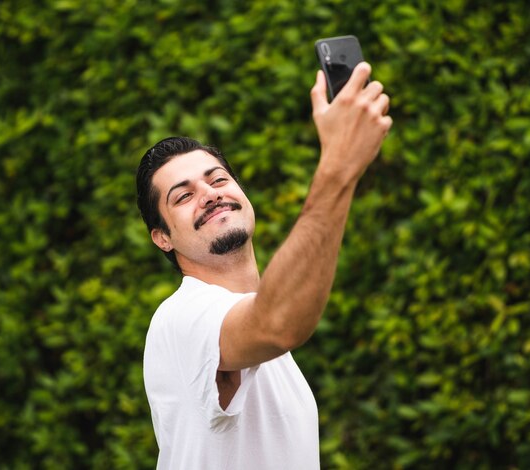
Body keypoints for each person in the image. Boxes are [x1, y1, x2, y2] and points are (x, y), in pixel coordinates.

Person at [135, 62, 392, 469]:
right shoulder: (179, 319)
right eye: (182, 197)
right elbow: (278, 323)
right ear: (162, 237)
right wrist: (339, 166)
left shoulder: (271, 355)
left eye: (217, 179)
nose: (208, 194)